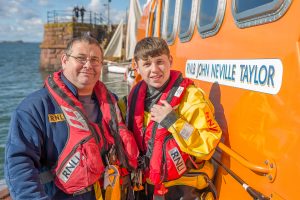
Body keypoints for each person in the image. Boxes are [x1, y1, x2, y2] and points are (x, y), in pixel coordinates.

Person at [5, 35, 139, 199]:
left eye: (95, 60)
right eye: (81, 58)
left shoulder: (112, 103)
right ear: (64, 60)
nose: (88, 65)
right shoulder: (34, 108)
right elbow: (19, 164)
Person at [126, 37, 222, 200]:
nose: (155, 69)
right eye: (147, 64)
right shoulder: (134, 96)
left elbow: (208, 145)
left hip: (182, 188)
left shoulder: (191, 98)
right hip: (145, 185)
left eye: (160, 62)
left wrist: (173, 121)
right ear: (137, 66)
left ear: (170, 60)